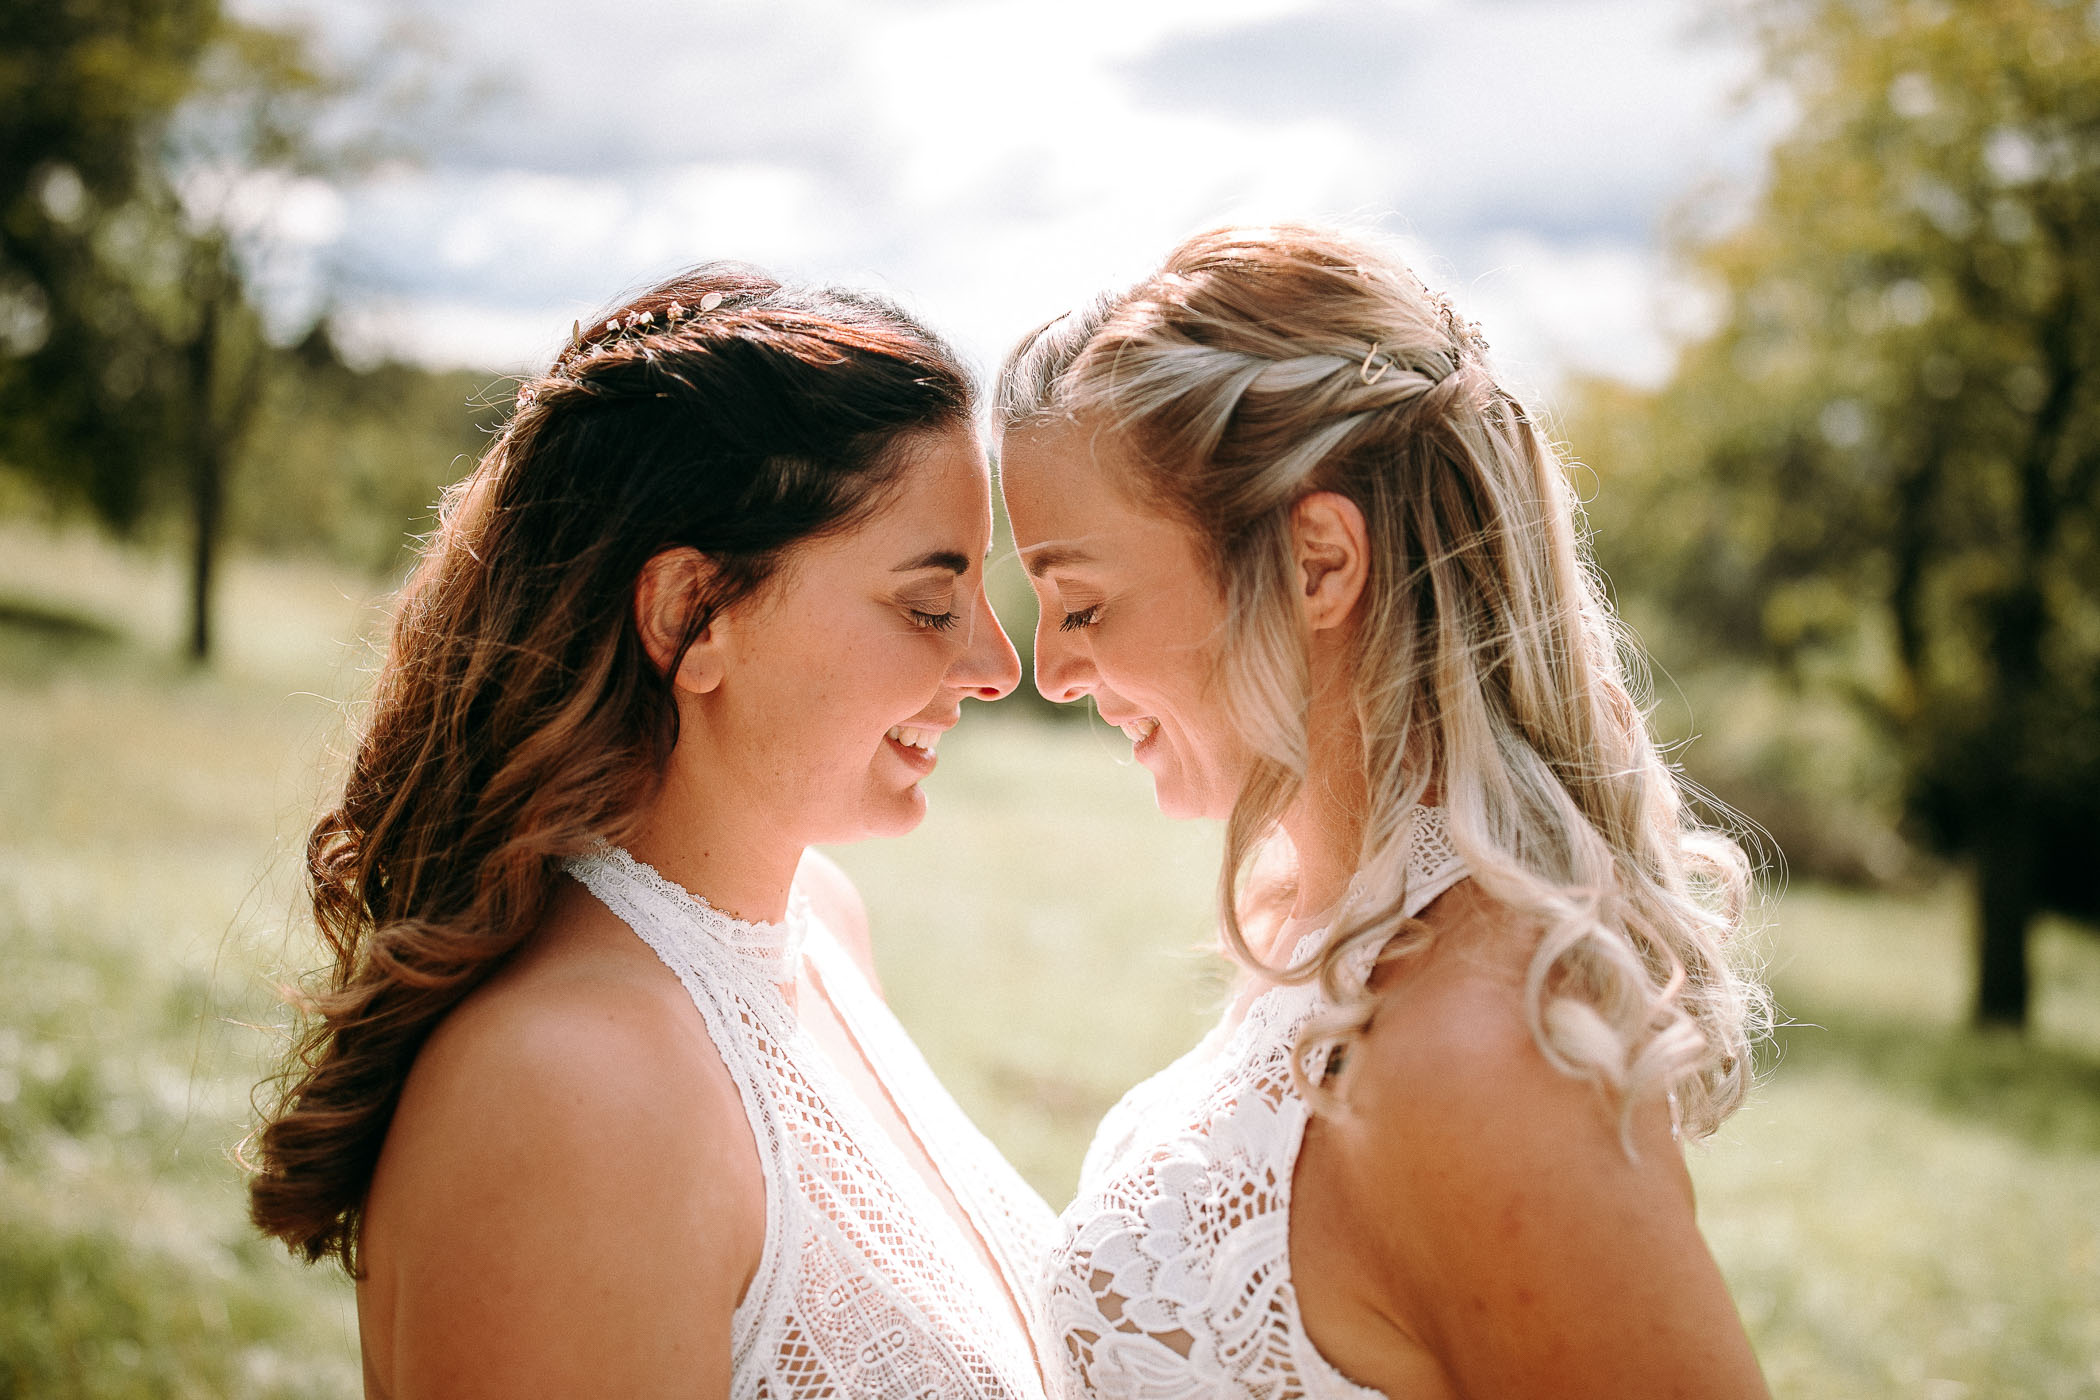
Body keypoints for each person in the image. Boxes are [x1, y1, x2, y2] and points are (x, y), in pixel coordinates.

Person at [247, 266, 1053, 1398]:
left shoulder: (819, 920)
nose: (995, 666)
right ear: (693, 615)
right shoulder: (571, 1095)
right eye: (929, 605)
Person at [997, 224, 1773, 1400]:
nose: (1048, 669)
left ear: (1317, 561)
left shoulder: (1479, 1049)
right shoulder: (1324, 917)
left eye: (1084, 604)